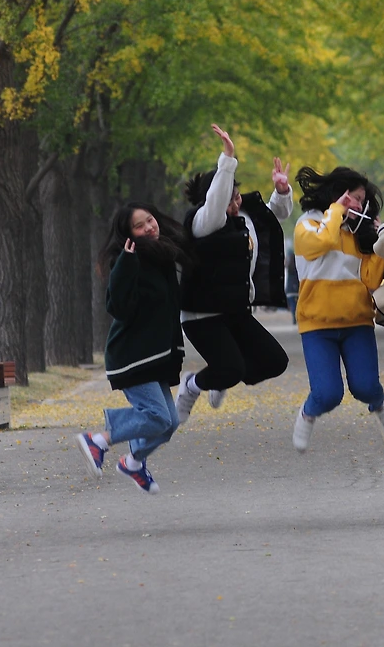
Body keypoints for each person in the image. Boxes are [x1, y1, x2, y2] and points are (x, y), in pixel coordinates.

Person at [174, 124, 292, 425]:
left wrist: (281, 192)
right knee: (231, 369)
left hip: (235, 310)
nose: (235, 204)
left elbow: (275, 215)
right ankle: (193, 385)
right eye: (228, 200)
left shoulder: (244, 216)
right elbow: (216, 204)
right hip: (202, 315)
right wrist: (227, 159)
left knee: (275, 362)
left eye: (236, 197)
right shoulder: (203, 222)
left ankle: (220, 376)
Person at [75, 203, 189, 494]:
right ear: (128, 235)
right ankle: (98, 441)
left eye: (150, 220)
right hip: (132, 357)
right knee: (157, 416)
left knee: (169, 423)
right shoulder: (126, 261)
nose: (149, 227)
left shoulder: (162, 255)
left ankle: (134, 462)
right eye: (140, 226)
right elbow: (118, 307)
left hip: (156, 358)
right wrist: (126, 262)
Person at [291, 164, 384, 452]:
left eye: (362, 201)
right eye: (355, 198)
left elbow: (371, 279)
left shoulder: (357, 233)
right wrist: (337, 211)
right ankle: (307, 414)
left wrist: (380, 242)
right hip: (317, 325)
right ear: (338, 194)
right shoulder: (308, 224)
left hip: (357, 323)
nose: (359, 206)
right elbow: (323, 241)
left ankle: (380, 405)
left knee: (366, 387)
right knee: (328, 394)